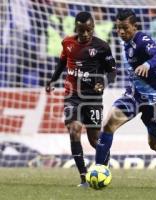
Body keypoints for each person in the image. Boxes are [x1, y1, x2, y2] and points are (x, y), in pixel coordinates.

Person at [94, 9, 156, 175]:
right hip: (134, 96)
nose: (121, 31)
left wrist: (147, 65)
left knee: (155, 144)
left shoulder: (143, 39)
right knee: (109, 124)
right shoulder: (125, 43)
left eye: (125, 27)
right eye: (118, 28)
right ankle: (100, 169)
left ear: (134, 26)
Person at [45, 11, 116, 187]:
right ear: (76, 28)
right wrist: (53, 80)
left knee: (94, 140)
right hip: (72, 95)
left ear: (93, 28)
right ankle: (84, 177)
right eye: (81, 30)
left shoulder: (102, 47)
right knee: (74, 130)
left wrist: (102, 82)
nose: (85, 34)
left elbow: (112, 71)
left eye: (88, 30)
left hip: (92, 97)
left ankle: (102, 168)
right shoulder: (67, 43)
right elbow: (62, 62)